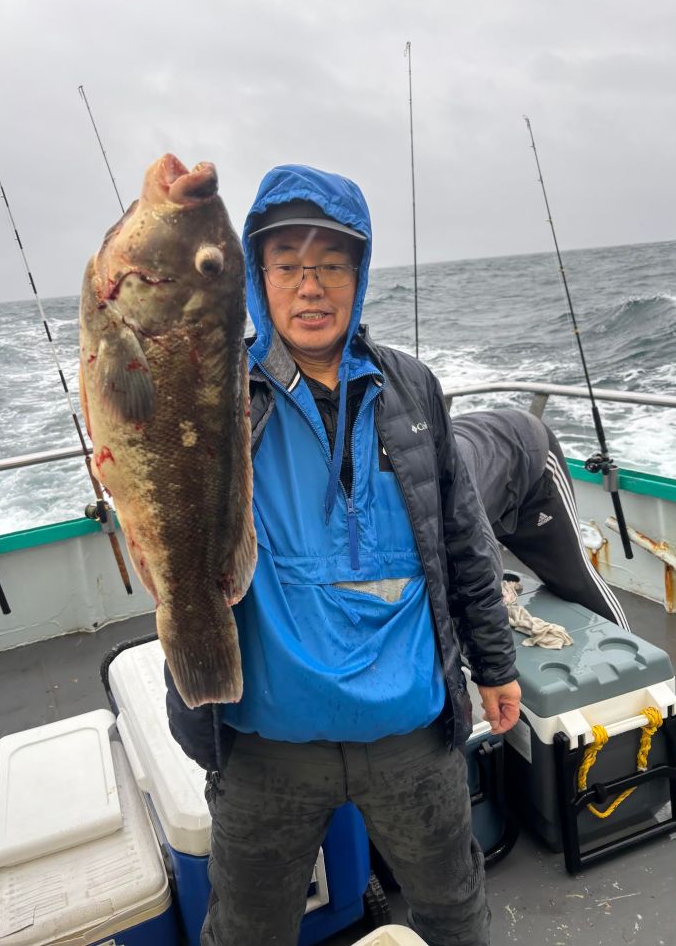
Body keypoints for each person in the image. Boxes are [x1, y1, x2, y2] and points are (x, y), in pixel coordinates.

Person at [165, 164, 521, 946]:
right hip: (264, 745)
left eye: (332, 262)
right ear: (256, 276)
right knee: (247, 931)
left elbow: (461, 541)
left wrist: (494, 665)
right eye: (286, 262)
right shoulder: (211, 398)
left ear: (359, 275)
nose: (310, 285)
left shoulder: (413, 388)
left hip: (410, 733)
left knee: (454, 910)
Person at [451, 409, 629, 628]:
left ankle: (635, 651)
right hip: (483, 487)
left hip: (526, 464)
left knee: (576, 581)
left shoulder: (448, 489)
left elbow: (479, 566)